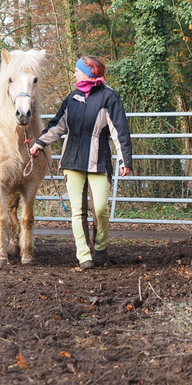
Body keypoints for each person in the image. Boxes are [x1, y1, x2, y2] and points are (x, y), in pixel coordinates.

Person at [29, 55, 132, 269]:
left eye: (77, 70)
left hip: (98, 162)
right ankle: (84, 255)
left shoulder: (109, 97)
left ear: (88, 72)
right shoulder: (72, 97)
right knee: (78, 210)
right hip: (73, 161)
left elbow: (119, 131)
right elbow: (57, 126)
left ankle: (101, 247)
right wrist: (39, 143)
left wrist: (125, 160)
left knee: (101, 208)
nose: (74, 74)